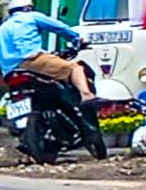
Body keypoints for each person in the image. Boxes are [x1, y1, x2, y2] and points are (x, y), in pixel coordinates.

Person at [15, 29, 102, 159]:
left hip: (10, 69)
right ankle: (86, 94)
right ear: (27, 8)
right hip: (33, 62)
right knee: (75, 68)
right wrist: (76, 39)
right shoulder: (31, 17)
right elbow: (58, 27)